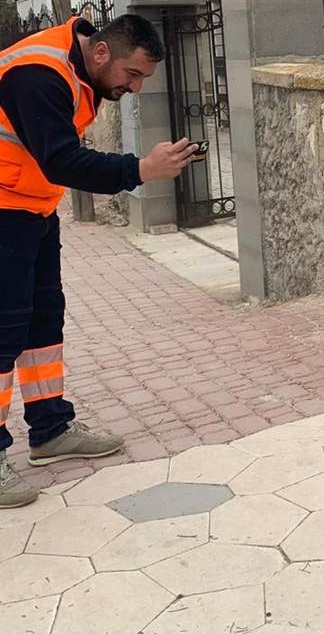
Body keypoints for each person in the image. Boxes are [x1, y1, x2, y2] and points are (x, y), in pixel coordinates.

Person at [0, 14, 198, 509]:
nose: (134, 88)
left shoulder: (78, 68)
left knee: (43, 320)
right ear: (103, 52)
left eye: (142, 80)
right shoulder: (38, 73)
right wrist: (139, 169)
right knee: (3, 330)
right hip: (3, 210)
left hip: (31, 207)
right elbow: (61, 159)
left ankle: (49, 430)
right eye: (132, 75)